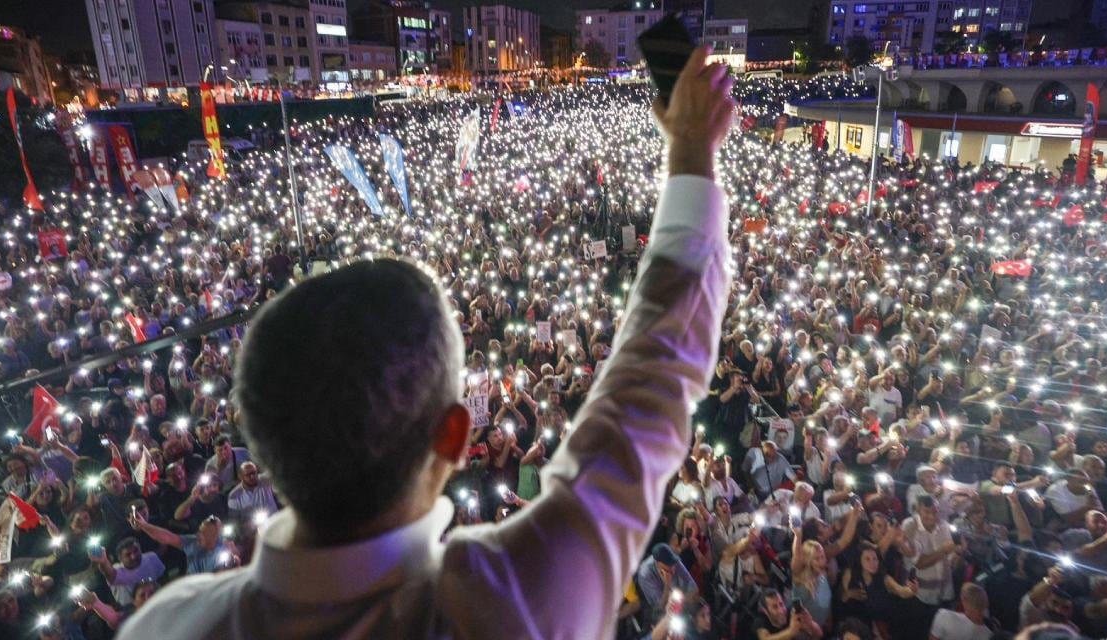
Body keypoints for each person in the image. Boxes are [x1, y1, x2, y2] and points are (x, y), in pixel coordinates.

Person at [120, 45, 737, 638]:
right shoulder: (512, 603)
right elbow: (647, 390)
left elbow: (649, 385)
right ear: (455, 435)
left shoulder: (168, 625)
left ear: (263, 442)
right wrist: (690, 149)